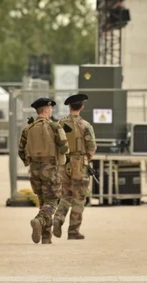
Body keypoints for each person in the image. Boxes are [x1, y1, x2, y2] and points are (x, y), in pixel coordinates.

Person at [18, 97, 68, 244]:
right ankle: (39, 221)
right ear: (46, 110)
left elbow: (21, 151)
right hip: (50, 168)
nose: (51, 110)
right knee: (52, 200)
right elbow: (65, 148)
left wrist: (29, 162)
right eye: (50, 108)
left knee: (43, 201)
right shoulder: (54, 127)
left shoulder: (28, 129)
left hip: (34, 170)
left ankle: (46, 237)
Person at [53, 93, 97, 240]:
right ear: (82, 107)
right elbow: (91, 147)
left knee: (66, 195)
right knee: (79, 197)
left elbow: (55, 144)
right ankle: (73, 231)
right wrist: (87, 158)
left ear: (69, 107)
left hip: (63, 163)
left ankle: (58, 218)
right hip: (79, 164)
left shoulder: (60, 124)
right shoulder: (85, 125)